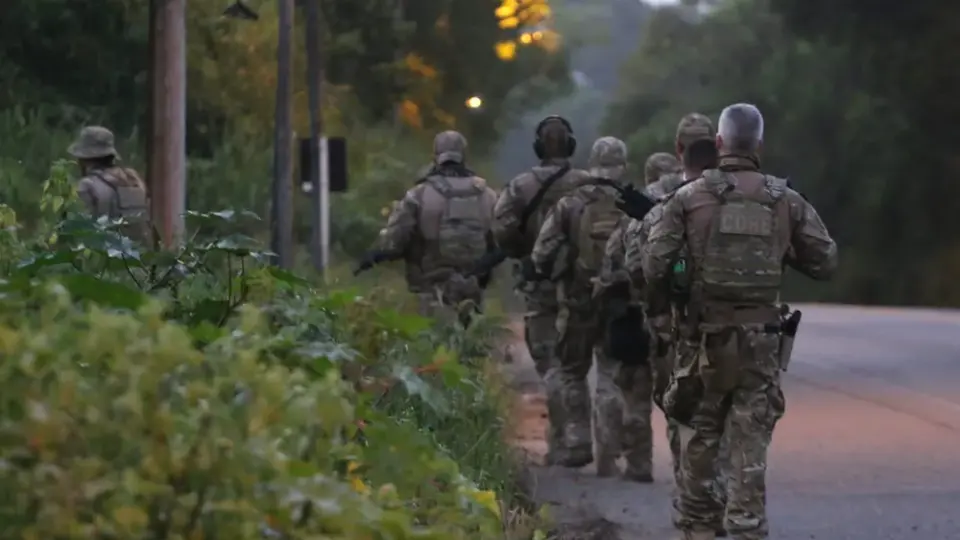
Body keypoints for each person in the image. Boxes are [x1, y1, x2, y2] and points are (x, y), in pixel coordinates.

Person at [641, 103, 838, 540]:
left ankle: (699, 527)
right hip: (762, 347)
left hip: (702, 343)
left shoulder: (687, 200)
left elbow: (654, 268)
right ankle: (746, 527)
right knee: (749, 449)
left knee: (699, 443)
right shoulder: (784, 200)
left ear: (719, 144)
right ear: (760, 146)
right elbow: (825, 262)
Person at [492, 116, 591, 466]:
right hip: (581, 285)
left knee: (550, 362)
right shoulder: (589, 185)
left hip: (540, 285)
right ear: (571, 145)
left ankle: (567, 438)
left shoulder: (520, 186)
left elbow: (501, 229)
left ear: (537, 148)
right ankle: (579, 434)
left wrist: (525, 249)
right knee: (576, 364)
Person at [529, 136, 631, 470]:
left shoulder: (571, 203)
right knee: (610, 374)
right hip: (619, 302)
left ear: (592, 164)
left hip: (576, 300)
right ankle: (609, 451)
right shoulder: (637, 203)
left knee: (572, 371)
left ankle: (577, 442)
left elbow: (541, 252)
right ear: (623, 166)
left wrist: (549, 274)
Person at [590, 147, 682, 481]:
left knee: (632, 390)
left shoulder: (636, 217)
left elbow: (619, 261)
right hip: (681, 319)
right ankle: (674, 466)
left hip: (635, 315)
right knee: (679, 396)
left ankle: (632, 461)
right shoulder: (694, 208)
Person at [354, 130, 497, 326]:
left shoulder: (419, 195)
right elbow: (500, 240)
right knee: (472, 340)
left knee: (437, 346)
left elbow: (395, 240)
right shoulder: (487, 195)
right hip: (473, 288)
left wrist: (372, 256)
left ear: (436, 155)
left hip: (432, 288)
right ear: (464, 155)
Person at [68, 126, 150, 242]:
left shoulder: (87, 186)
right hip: (138, 255)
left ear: (85, 158)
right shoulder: (133, 180)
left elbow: (78, 231)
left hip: (104, 256)